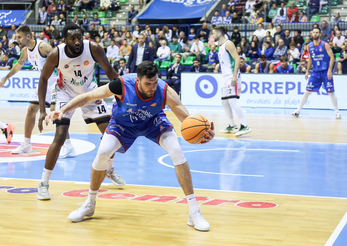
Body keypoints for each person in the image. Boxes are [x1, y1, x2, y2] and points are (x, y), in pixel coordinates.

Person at [45, 61, 214, 231]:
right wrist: (63, 110)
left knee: (177, 151)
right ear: (138, 81)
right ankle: (90, 203)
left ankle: (194, 212)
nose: (152, 87)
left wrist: (202, 134)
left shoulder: (165, 91)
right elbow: (89, 96)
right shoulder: (121, 85)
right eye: (148, 84)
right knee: (103, 152)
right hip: (122, 125)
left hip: (153, 122)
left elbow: (187, 120)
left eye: (155, 82)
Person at [36, 23, 125, 200]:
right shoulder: (56, 54)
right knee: (60, 136)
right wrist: (42, 110)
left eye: (79, 37)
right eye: (72, 38)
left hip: (90, 92)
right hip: (64, 93)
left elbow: (109, 71)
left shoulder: (93, 48)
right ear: (65, 40)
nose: (77, 41)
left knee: (111, 134)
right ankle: (43, 183)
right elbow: (44, 79)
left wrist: (123, 94)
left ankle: (109, 169)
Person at [0, 26, 75, 157]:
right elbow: (18, 65)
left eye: (19, 37)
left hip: (56, 81)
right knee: (31, 110)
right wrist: (6, 78)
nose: (16, 39)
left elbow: (60, 59)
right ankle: (27, 144)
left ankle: (68, 146)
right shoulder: (25, 51)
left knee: (55, 113)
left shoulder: (43, 47)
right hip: (44, 82)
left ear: (28, 36)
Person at [291, 28, 341, 119]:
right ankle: (297, 111)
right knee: (307, 92)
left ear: (319, 34)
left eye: (317, 32)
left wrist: (330, 70)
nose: (315, 34)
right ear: (311, 34)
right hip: (315, 72)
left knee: (331, 92)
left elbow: (332, 57)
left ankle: (337, 112)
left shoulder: (325, 44)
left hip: (325, 72)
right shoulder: (310, 45)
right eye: (313, 32)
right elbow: (310, 58)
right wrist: (307, 71)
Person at [212, 26, 251, 137]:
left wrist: (234, 75)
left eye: (214, 33)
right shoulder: (220, 46)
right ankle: (232, 125)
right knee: (224, 102)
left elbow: (237, 59)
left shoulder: (228, 44)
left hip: (231, 76)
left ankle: (244, 125)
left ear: (219, 34)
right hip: (225, 77)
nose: (212, 36)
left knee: (233, 101)